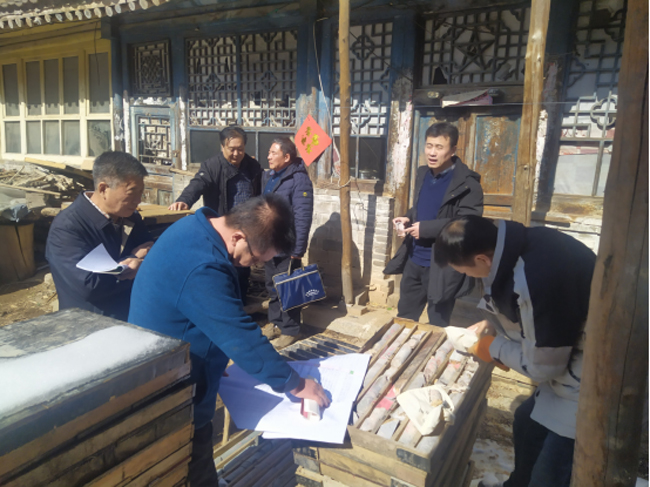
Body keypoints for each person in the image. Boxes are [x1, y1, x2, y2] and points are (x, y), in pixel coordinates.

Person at [129, 195, 329, 486]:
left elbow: (202, 312)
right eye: (256, 259)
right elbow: (239, 334)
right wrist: (296, 384)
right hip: (169, 378)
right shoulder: (204, 266)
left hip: (180, 354)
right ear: (238, 237)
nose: (253, 264)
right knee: (191, 446)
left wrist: (213, 357)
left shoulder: (196, 226)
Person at [434, 215, 596, 487]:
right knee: (525, 422)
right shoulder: (514, 244)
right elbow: (534, 317)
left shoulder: (535, 276)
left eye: (465, 271)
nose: (466, 276)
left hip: (594, 378)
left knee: (550, 471)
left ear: (482, 259)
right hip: (570, 359)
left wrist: (492, 347)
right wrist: (494, 324)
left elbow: (543, 367)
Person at [384, 122, 483, 326]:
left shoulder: (468, 184)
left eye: (439, 147)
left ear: (453, 150)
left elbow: (468, 223)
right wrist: (408, 217)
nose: (432, 152)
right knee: (404, 317)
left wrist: (427, 229)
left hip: (443, 265)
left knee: (438, 322)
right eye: (429, 146)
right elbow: (424, 207)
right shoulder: (423, 173)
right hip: (414, 260)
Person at [45, 151, 153, 322]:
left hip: (131, 316)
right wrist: (132, 261)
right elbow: (90, 286)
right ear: (103, 189)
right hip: (89, 323)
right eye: (132, 192)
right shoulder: (67, 227)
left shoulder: (130, 217)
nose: (138, 200)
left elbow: (150, 250)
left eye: (141, 192)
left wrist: (143, 262)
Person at [169, 126, 262, 304]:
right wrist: (184, 200)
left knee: (243, 267)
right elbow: (198, 183)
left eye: (240, 149)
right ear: (222, 147)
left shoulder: (252, 166)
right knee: (222, 268)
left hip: (246, 226)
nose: (236, 154)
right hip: (223, 227)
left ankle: (240, 305)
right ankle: (221, 304)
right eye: (232, 149)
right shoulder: (212, 166)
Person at [260, 137, 314, 349]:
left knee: (288, 288)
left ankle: (291, 330)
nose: (269, 157)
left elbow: (303, 216)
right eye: (269, 152)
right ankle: (276, 323)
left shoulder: (299, 180)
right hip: (270, 243)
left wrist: (298, 249)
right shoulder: (271, 176)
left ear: (287, 157)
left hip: (287, 245)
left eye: (273, 153)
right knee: (272, 286)